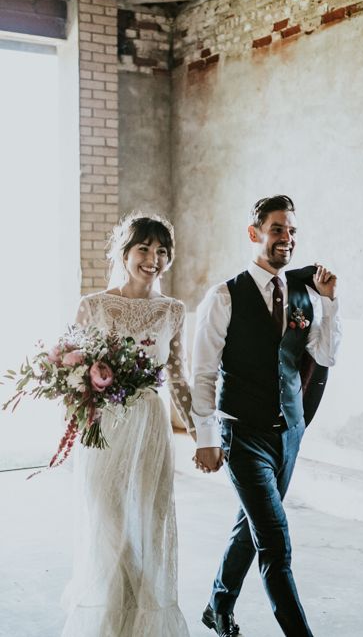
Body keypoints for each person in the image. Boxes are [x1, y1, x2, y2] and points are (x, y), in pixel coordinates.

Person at [191, 195, 341, 637]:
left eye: (292, 231)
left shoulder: (303, 293)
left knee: (250, 525)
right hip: (242, 435)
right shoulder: (224, 296)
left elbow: (324, 354)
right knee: (274, 541)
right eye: (278, 229)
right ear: (254, 233)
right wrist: (205, 436)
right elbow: (201, 372)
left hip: (288, 435)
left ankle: (217, 604)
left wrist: (329, 301)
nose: (287, 239)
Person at [62, 214, 195, 637]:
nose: (153, 259)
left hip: (150, 428)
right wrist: (77, 423)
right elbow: (71, 372)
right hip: (104, 429)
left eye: (162, 251)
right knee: (110, 524)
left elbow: (177, 376)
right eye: (144, 249)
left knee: (147, 526)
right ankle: (109, 621)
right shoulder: (94, 305)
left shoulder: (173, 310)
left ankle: (142, 622)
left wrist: (200, 433)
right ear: (124, 251)